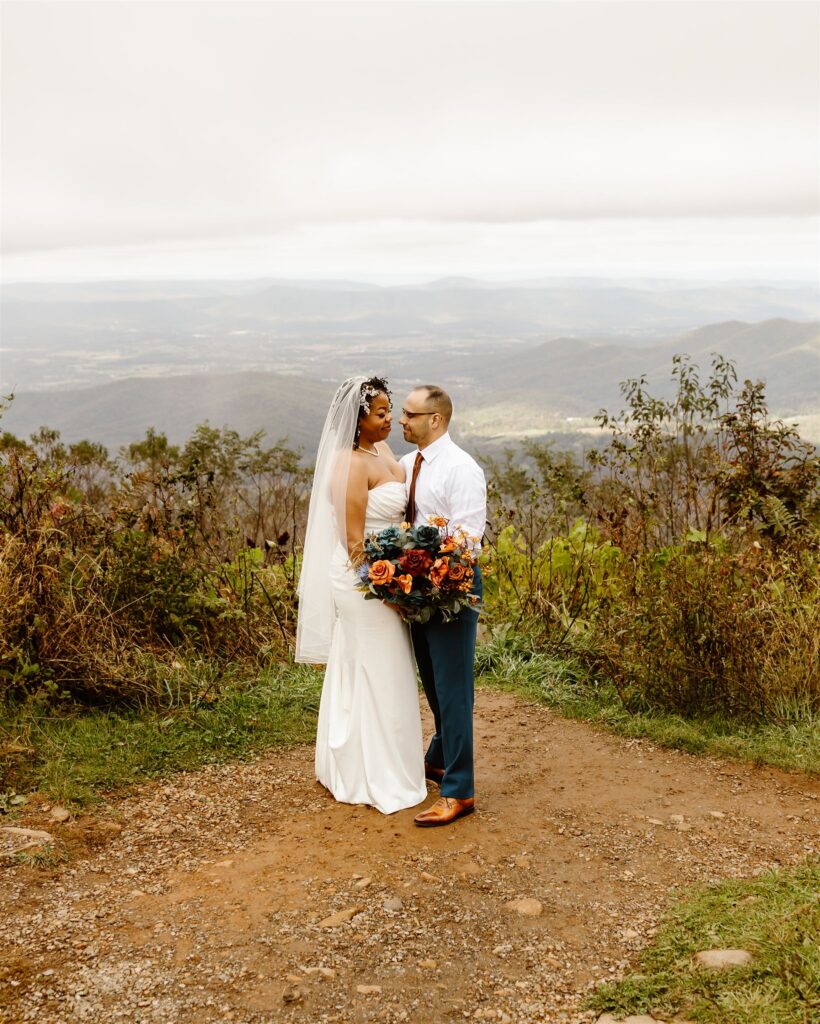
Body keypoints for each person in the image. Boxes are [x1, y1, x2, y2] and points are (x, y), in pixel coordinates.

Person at [295, 376, 427, 814]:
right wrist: (385, 589)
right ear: (358, 419)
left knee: (379, 665)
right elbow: (352, 539)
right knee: (378, 664)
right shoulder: (350, 463)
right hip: (361, 580)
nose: (391, 420)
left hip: (387, 573)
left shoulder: (383, 452)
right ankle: (371, 773)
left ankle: (367, 759)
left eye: (391, 412)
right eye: (382, 413)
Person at [399, 385, 487, 827]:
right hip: (414, 590)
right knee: (433, 684)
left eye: (410, 414)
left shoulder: (461, 468)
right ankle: (438, 759)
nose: (402, 421)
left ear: (435, 419)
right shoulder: (405, 465)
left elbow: (469, 539)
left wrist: (435, 574)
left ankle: (460, 790)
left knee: (453, 690)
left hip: (452, 589)